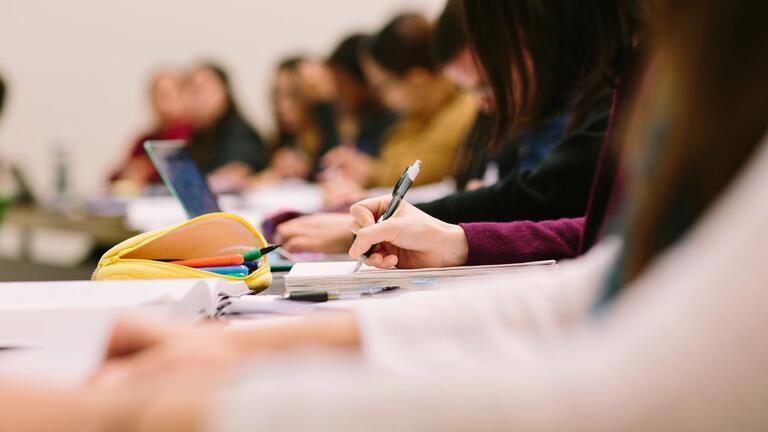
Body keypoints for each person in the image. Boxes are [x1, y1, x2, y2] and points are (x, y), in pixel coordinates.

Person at [276, 0, 639, 254]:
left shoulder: (625, 86)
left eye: (487, 80)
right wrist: (454, 242)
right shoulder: (613, 82)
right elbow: (583, 232)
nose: (485, 101)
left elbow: (541, 197)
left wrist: (451, 238)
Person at [321, 14, 479, 191]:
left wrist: (369, 172)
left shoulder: (466, 108)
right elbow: (391, 157)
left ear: (416, 80)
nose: (381, 97)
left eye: (382, 87)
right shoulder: (419, 113)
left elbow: (420, 173)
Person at [184, 63, 267, 193]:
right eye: (191, 91)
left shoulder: (239, 131)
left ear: (224, 90)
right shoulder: (199, 134)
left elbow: (236, 174)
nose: (196, 99)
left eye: (201, 90)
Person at [110, 69, 193, 193]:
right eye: (155, 93)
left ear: (182, 96)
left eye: (166, 94)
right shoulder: (145, 138)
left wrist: (146, 170)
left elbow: (176, 174)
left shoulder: (191, 133)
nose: (160, 100)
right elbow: (115, 176)